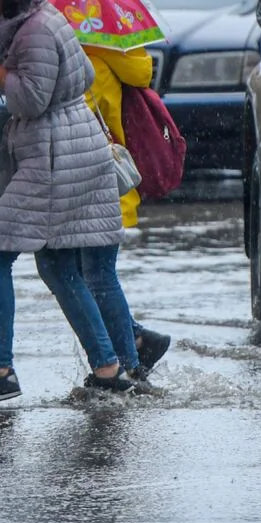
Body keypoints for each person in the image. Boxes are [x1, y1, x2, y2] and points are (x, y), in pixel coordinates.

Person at [0, 0, 136, 409]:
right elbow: (80, 73)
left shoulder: (33, 31)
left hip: (55, 158)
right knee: (57, 264)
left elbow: (30, 100)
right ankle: (108, 370)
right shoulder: (38, 19)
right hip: (67, 150)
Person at [82, 44, 172, 380]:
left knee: (98, 276)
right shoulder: (111, 56)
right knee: (93, 275)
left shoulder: (89, 65)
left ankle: (129, 360)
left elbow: (75, 121)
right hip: (110, 188)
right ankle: (134, 340)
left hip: (101, 188)